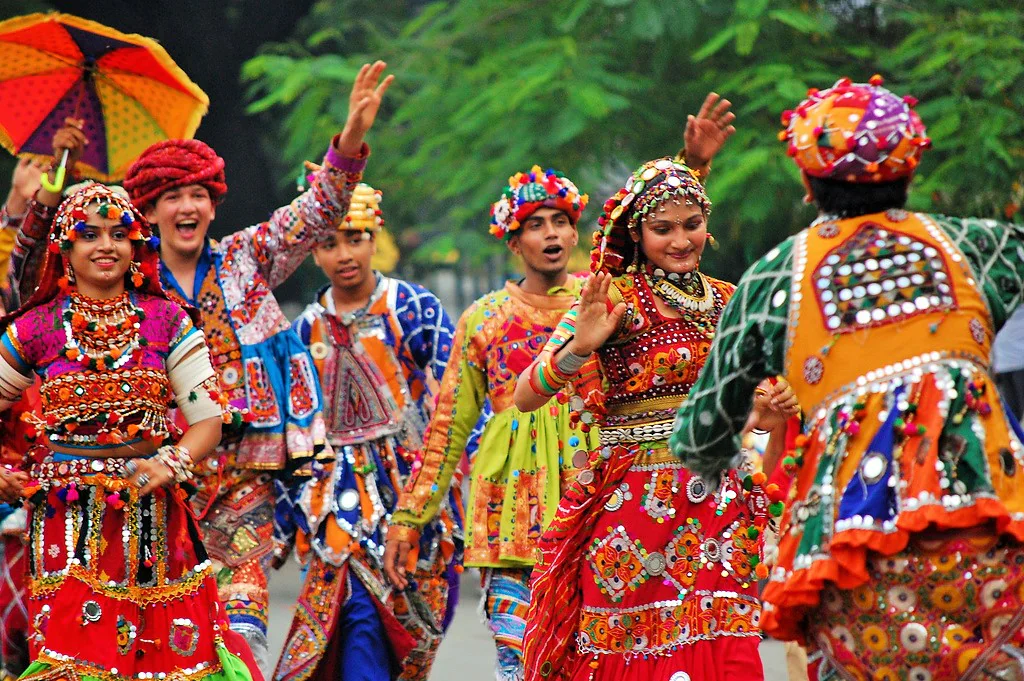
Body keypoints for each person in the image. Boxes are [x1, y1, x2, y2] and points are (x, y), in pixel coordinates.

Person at [670, 76, 1024, 680]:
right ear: (909, 170)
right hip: (992, 531)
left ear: (808, 185)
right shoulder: (983, 246)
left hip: (848, 555)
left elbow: (699, 437)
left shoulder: (772, 279)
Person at [118, 62, 392, 670]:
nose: (187, 207)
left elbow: (317, 212)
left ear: (214, 207)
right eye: (172, 197)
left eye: (198, 195)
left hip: (245, 478)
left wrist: (348, 144)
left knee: (243, 630)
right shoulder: (128, 286)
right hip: (158, 482)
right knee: (169, 640)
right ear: (149, 211)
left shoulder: (246, 258)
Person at [514, 134, 798, 679]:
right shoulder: (610, 297)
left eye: (690, 223)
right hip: (636, 509)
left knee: (729, 651)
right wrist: (579, 348)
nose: (680, 239)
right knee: (635, 655)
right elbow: (528, 394)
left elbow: (749, 393)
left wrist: (770, 402)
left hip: (718, 507)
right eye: (662, 229)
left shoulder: (725, 298)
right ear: (638, 234)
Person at [0, 181, 258, 681]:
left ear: (137, 246)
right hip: (64, 525)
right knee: (72, 663)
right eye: (89, 234)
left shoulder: (167, 321)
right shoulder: (36, 328)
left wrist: (170, 463)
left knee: (161, 665)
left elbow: (207, 420)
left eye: (120, 234)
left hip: (153, 521)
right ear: (64, 247)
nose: (106, 246)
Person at [380, 160, 597, 681]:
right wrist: (409, 519)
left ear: (574, 231)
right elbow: (447, 428)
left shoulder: (602, 303)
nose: (551, 233)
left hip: (592, 506)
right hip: (508, 520)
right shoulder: (485, 318)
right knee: (518, 664)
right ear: (514, 241)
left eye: (560, 221)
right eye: (535, 224)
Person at [272, 183, 462, 681]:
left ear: (374, 235)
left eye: (354, 238)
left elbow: (457, 401)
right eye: (329, 243)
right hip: (338, 503)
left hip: (419, 497)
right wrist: (284, 518)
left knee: (413, 640)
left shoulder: (415, 309)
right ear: (313, 251)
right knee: (357, 622)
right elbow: (290, 433)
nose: (343, 254)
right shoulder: (300, 334)